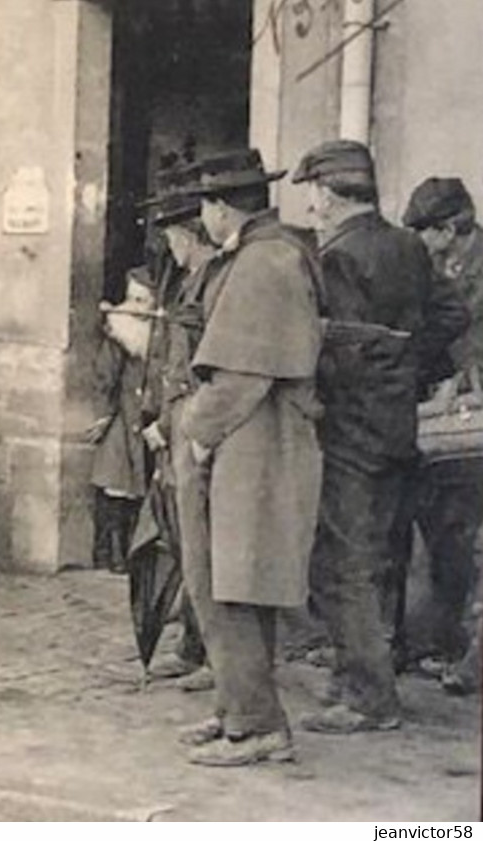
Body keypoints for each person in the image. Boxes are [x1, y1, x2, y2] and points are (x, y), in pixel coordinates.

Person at [289, 142, 467, 734]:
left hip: (348, 427)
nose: (311, 206)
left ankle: (367, 695)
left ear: (333, 194)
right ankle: (365, 674)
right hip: (396, 426)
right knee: (382, 555)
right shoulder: (407, 244)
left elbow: (328, 345)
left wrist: (362, 373)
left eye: (314, 193)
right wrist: (410, 366)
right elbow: (452, 315)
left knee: (344, 562)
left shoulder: (337, 257)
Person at [175, 149, 323, 768]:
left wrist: (196, 432)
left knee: (232, 580)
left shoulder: (264, 262)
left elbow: (239, 373)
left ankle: (259, 725)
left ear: (218, 207)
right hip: (253, 440)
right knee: (229, 578)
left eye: (206, 204)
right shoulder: (265, 253)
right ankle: (236, 705)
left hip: (251, 443)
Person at [401, 176, 483, 676]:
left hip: (474, 419)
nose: (423, 243)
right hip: (451, 426)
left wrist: (470, 372)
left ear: (454, 228)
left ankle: (471, 653)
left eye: (428, 231)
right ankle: (447, 639)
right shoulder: (434, 266)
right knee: (447, 529)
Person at [138, 176, 217, 688]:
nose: (168, 246)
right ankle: (193, 645)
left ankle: (209, 652)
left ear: (187, 234)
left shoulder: (210, 277)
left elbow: (193, 366)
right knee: (181, 539)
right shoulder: (183, 277)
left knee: (201, 544)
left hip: (189, 428)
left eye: (170, 235)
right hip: (172, 424)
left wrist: (168, 425)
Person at [89, 267, 155, 575]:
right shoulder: (119, 332)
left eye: (144, 300)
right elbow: (105, 376)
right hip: (121, 418)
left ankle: (133, 549)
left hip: (145, 418)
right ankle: (111, 551)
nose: (137, 307)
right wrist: (103, 414)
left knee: (138, 488)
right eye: (132, 299)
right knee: (117, 483)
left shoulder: (157, 334)